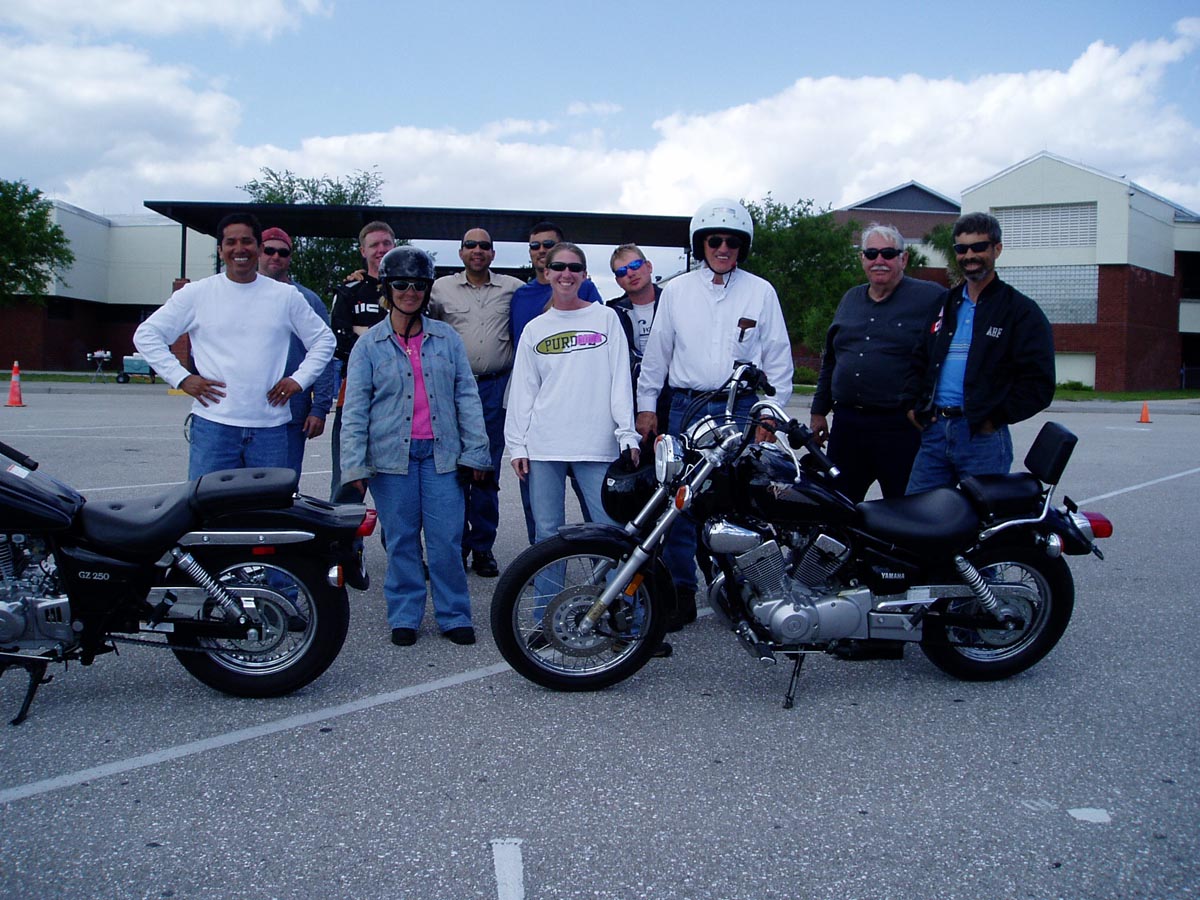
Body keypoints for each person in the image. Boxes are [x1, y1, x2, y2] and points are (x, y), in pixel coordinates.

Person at [637, 198, 793, 630]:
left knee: (739, 503)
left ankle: (744, 591)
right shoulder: (677, 292)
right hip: (685, 407)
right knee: (680, 502)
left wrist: (771, 413)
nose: (723, 248)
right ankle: (681, 592)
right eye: (714, 241)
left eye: (731, 242)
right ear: (700, 244)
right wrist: (647, 406)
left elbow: (778, 358)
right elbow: (657, 354)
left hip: (739, 409)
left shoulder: (761, 292)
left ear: (743, 247)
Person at [339, 247, 491, 647]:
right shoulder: (369, 345)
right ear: (388, 288)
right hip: (391, 460)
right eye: (401, 284)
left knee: (446, 542)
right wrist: (354, 467)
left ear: (427, 290)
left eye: (419, 285)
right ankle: (405, 614)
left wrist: (476, 451)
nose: (410, 292)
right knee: (402, 541)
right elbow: (355, 410)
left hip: (442, 457)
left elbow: (466, 396)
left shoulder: (447, 339)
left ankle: (454, 614)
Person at [133, 213, 335, 480]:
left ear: (258, 247)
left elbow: (324, 340)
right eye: (231, 242)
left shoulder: (286, 296)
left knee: (268, 505)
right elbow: (147, 335)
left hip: (270, 429)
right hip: (214, 427)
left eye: (247, 241)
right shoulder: (196, 294)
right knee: (209, 503)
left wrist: (299, 380)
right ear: (220, 250)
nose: (239, 249)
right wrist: (181, 378)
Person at [902, 211, 1055, 493]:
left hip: (982, 439)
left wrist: (993, 418)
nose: (969, 255)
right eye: (962, 249)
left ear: (997, 249)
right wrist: (913, 404)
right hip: (935, 433)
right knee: (918, 512)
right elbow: (919, 358)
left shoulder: (1020, 311)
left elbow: (1039, 383)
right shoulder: (945, 304)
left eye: (978, 247)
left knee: (981, 518)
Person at [506, 242, 639, 545]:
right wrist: (517, 446)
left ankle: (611, 581)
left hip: (597, 444)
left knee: (609, 531)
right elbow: (523, 392)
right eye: (558, 267)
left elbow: (620, 381)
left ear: (584, 275)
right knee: (546, 534)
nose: (566, 274)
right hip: (544, 447)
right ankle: (549, 581)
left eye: (574, 268)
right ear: (547, 273)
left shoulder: (606, 318)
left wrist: (626, 434)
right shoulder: (534, 329)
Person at [809, 223, 945, 502]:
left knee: (905, 510)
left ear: (903, 259)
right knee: (838, 506)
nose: (879, 260)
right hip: (847, 425)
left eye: (888, 253)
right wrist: (818, 411)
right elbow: (832, 359)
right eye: (871, 254)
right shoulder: (850, 299)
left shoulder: (932, 297)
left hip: (899, 427)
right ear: (862, 259)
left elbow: (946, 354)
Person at [428, 228, 523, 578]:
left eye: (484, 245)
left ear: (493, 253)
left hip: (495, 388)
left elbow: (547, 294)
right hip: (452, 389)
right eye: (471, 245)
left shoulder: (513, 288)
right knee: (452, 471)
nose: (477, 250)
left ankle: (482, 546)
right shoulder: (441, 289)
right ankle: (454, 545)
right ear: (461, 252)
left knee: (486, 470)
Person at [509, 221, 604, 543]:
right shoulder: (521, 297)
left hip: (588, 430)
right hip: (544, 426)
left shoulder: (588, 297)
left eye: (548, 244)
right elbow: (524, 374)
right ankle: (541, 568)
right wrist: (518, 440)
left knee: (598, 514)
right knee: (543, 522)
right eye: (535, 246)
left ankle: (605, 570)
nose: (541, 250)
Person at [258, 226, 336, 477]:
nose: (275, 256)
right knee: (238, 487)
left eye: (283, 252)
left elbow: (324, 354)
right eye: (269, 250)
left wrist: (319, 408)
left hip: (291, 413)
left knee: (282, 483)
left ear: (290, 257)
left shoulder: (308, 300)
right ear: (257, 252)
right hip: (245, 412)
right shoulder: (238, 295)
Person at [328, 221, 395, 500]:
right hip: (354, 397)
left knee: (396, 488)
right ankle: (344, 532)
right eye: (374, 245)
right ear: (362, 251)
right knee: (347, 483)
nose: (381, 249)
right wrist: (385, 340)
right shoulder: (349, 290)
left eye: (386, 243)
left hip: (399, 399)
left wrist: (364, 333)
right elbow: (340, 342)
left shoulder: (411, 289)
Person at [607, 243, 671, 428]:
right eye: (622, 271)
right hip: (630, 401)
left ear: (649, 266)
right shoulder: (612, 313)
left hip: (674, 400)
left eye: (635, 265)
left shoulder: (674, 302)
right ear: (617, 280)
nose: (630, 273)